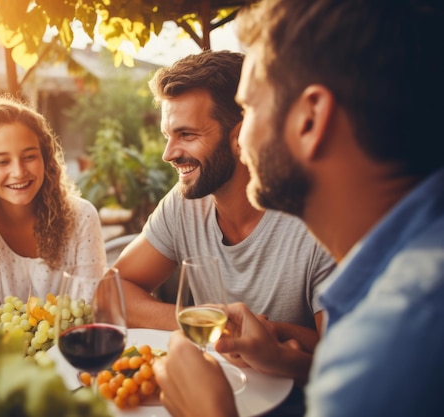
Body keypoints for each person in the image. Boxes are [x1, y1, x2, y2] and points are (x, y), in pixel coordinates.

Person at [153, 1, 444, 417]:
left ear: (310, 119)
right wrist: (284, 343)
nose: (241, 141)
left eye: (250, 109)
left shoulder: (385, 349)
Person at [113, 50, 335, 383]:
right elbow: (112, 290)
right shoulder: (184, 203)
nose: (168, 154)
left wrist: (277, 354)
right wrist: (207, 322)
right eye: (167, 136)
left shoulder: (315, 222)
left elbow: (345, 362)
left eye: (186, 135)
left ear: (240, 136)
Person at [0, 94, 105, 308]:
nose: (19, 172)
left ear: (46, 158)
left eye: (30, 156)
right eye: (2, 161)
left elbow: (90, 307)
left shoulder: (82, 217)